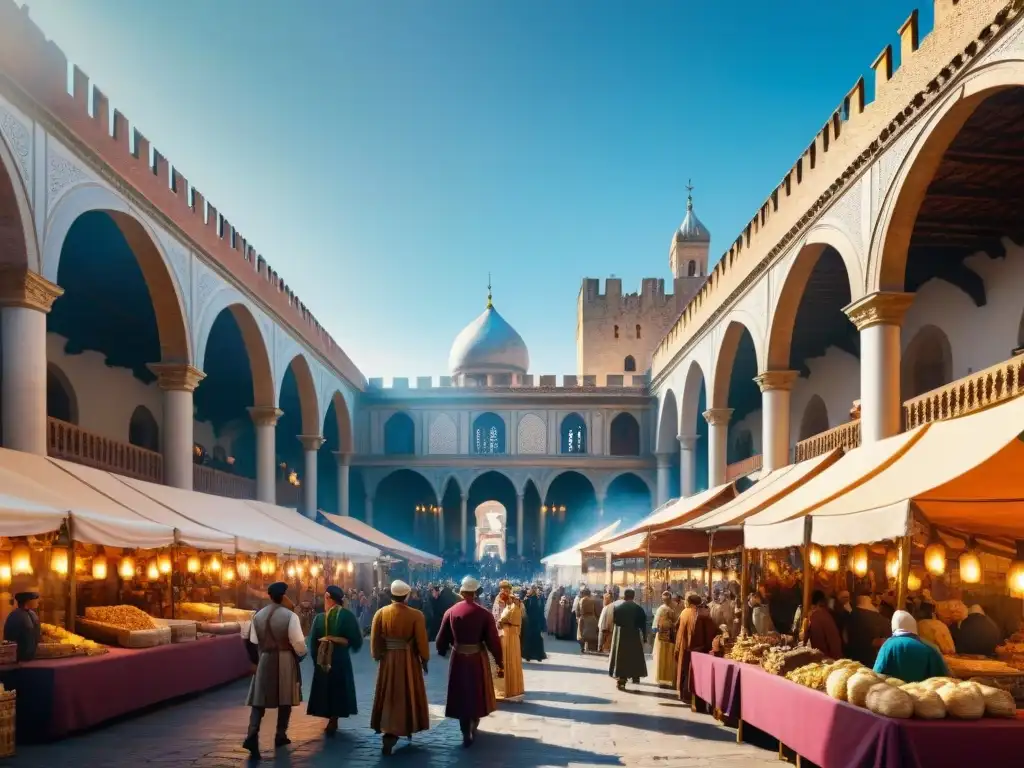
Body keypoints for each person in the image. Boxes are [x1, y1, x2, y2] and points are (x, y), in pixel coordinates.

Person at [436, 576, 504, 747]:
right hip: (477, 659)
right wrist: (499, 661)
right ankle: (473, 722)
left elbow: (440, 639)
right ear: (476, 593)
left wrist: (442, 650)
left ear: (462, 591)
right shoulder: (484, 614)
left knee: (461, 693)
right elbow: (493, 642)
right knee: (476, 692)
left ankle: (464, 729)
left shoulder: (450, 612)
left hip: (458, 658)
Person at [243, 582, 307, 760]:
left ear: (270, 596)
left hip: (265, 659)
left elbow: (253, 641)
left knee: (259, 700)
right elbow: (299, 644)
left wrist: (257, 660)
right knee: (285, 697)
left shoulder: (258, 616)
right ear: (284, 596)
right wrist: (302, 655)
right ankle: (280, 734)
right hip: (285, 658)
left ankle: (251, 735)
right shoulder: (290, 616)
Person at [369, 580, 430, 756]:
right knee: (407, 692)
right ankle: (407, 724)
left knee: (388, 693)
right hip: (408, 660)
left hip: (388, 661)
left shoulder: (380, 613)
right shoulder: (416, 615)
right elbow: (421, 641)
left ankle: (388, 727)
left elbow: (375, 643)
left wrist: (378, 655)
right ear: (407, 595)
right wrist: (424, 659)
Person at [307, 585, 363, 736]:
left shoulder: (319, 619)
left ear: (327, 597)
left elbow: (312, 644)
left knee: (326, 688)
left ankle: (330, 716)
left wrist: (316, 660)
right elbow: (356, 641)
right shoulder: (348, 616)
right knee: (339, 688)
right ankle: (334, 717)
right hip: (340, 659)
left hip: (323, 660)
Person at [873, 610, 949, 683]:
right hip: (921, 694)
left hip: (895, 693)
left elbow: (877, 674)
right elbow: (942, 678)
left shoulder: (888, 645)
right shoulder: (929, 647)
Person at [608, 588, 647, 691]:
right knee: (635, 656)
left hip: (622, 636)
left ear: (624, 596)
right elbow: (643, 624)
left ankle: (622, 680)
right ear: (633, 596)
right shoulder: (638, 608)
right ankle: (635, 676)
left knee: (622, 658)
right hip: (634, 635)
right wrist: (645, 637)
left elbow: (616, 622)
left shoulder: (618, 608)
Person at [843, 593, 891, 667]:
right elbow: (876, 642)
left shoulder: (849, 616)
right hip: (869, 660)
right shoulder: (880, 620)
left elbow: (845, 636)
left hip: (852, 658)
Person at [494, 591, 525, 701]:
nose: (501, 604)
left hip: (509, 636)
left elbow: (505, 620)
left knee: (510, 660)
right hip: (509, 636)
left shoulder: (512, 608)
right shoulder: (512, 607)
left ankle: (511, 689)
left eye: (501, 601)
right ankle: (512, 688)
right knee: (511, 660)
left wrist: (500, 622)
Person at [3, 591, 41, 662]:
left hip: (32, 656)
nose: (38, 602)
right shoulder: (15, 616)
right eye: (35, 599)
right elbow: (10, 637)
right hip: (19, 658)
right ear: (28, 601)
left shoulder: (33, 614)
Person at [806, 589, 843, 659]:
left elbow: (816, 642)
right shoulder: (827, 615)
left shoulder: (816, 616)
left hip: (826, 659)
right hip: (832, 658)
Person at [651, 591, 677, 688]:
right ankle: (666, 678)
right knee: (666, 657)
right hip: (668, 637)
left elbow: (654, 625)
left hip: (662, 637)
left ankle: (661, 678)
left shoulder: (660, 609)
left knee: (661, 657)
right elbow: (674, 623)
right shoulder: (669, 610)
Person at [521, 585, 547, 662]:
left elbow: (541, 611)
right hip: (530, 622)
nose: (534, 590)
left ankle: (538, 656)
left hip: (535, 622)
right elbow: (524, 610)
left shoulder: (539, 599)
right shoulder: (528, 599)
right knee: (530, 639)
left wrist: (543, 624)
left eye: (535, 589)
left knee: (536, 638)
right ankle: (528, 655)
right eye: (533, 589)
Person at [575, 587, 600, 653]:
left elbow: (577, 611)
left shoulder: (581, 600)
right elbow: (594, 610)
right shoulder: (592, 600)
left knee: (580, 634)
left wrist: (577, 618)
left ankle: (582, 647)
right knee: (590, 633)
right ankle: (590, 647)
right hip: (592, 618)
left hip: (583, 618)